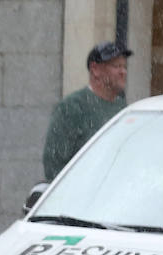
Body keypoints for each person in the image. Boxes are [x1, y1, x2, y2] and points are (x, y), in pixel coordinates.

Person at [42, 41, 131, 181]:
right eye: (116, 66)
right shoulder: (71, 107)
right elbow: (54, 164)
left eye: (124, 67)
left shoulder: (123, 108)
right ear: (95, 69)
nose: (123, 72)